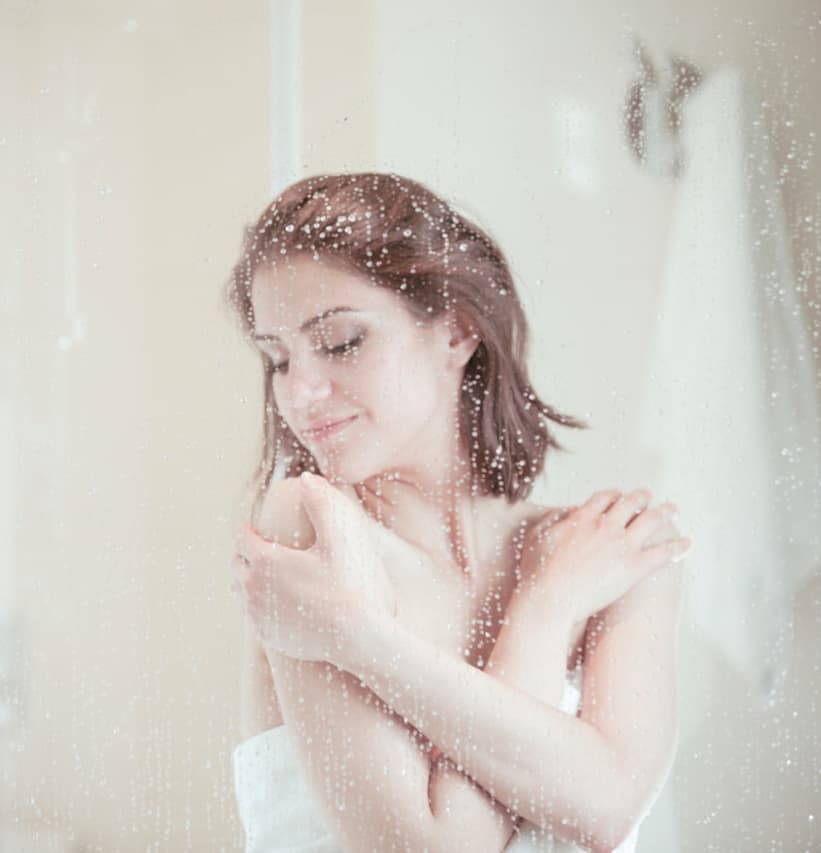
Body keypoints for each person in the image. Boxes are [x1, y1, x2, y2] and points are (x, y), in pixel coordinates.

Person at [223, 172, 691, 852]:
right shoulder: (311, 527)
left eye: (341, 341)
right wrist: (549, 608)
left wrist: (356, 635)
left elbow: (610, 809)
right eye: (278, 358)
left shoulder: (613, 550)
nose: (301, 392)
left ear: (457, 331)